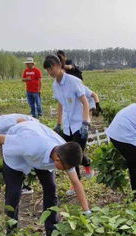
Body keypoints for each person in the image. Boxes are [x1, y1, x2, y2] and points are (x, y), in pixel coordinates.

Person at [0, 120, 91, 236]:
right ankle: (11, 233)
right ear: (58, 159)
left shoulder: (65, 152)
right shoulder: (29, 145)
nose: (65, 171)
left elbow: (76, 182)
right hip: (16, 155)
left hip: (39, 150)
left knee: (51, 188)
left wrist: (86, 211)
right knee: (13, 194)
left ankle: (52, 230)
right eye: (65, 168)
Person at [43, 55, 94, 189]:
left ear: (59, 66)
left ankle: (76, 183)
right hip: (67, 125)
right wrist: (59, 123)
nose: (50, 72)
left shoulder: (73, 81)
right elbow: (60, 104)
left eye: (51, 68)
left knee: (73, 155)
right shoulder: (55, 85)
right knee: (70, 153)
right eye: (47, 70)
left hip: (79, 124)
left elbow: (85, 102)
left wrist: (85, 122)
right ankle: (86, 164)